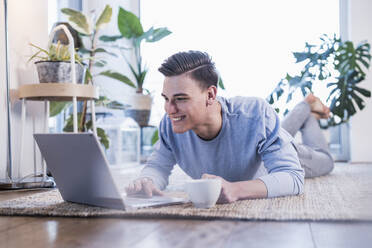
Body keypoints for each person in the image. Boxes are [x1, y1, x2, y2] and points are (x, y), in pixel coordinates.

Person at [125, 51, 334, 203]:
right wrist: (147, 181)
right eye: (166, 98)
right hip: (260, 138)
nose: (169, 109)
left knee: (326, 161)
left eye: (180, 99)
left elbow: (293, 177)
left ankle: (307, 109)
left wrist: (236, 189)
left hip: (276, 157)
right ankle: (306, 109)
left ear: (210, 95)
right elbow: (157, 166)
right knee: (275, 129)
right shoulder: (170, 125)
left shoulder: (254, 113)